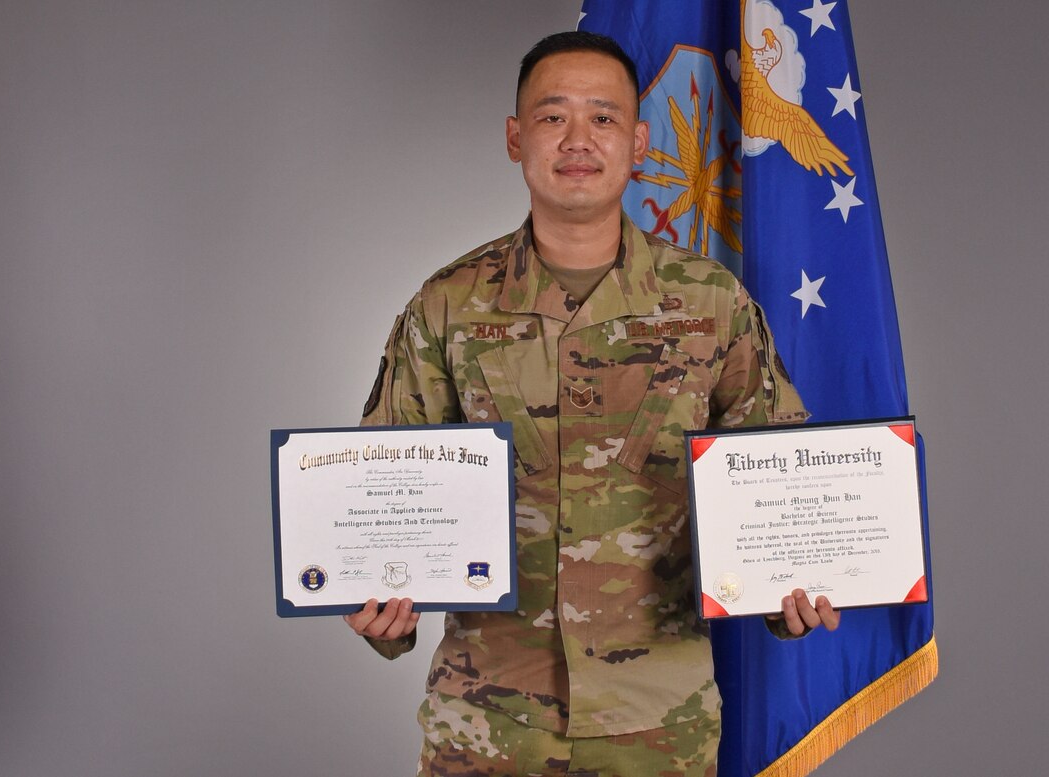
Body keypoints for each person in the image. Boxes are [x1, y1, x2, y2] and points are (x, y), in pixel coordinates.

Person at [345, 31, 839, 777]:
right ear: (515, 138)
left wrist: (791, 589)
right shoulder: (447, 307)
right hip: (487, 727)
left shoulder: (713, 305)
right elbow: (383, 495)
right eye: (552, 117)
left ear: (639, 142)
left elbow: (778, 487)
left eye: (603, 118)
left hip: (658, 726)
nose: (578, 139)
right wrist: (375, 600)